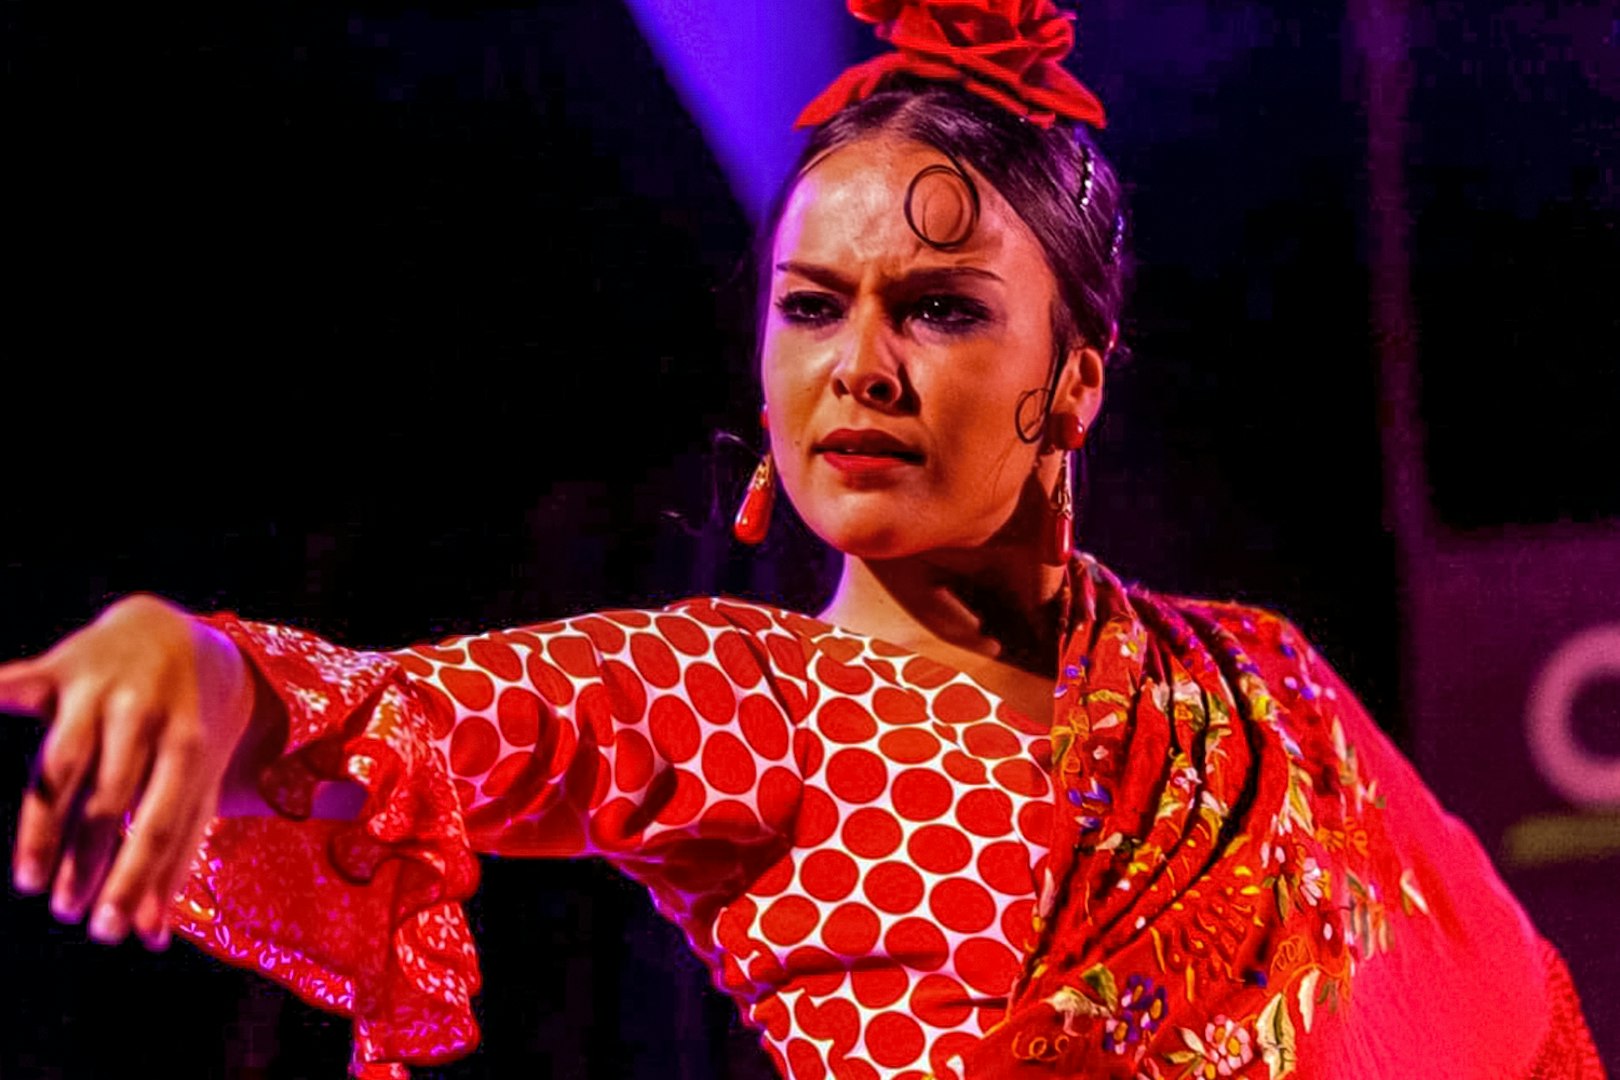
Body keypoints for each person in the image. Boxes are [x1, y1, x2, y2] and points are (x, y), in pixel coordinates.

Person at [1, 2, 1606, 1078]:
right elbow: (426, 716)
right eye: (811, 307)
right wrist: (214, 670)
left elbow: (1518, 1024)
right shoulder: (747, 702)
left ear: (1073, 384)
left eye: (943, 311)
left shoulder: (1265, 690)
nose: (861, 366)